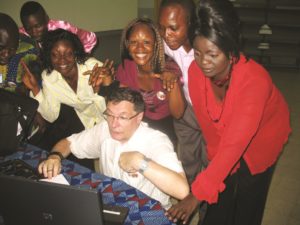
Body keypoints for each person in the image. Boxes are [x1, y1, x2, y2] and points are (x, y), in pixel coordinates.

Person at [166, 0, 291, 225]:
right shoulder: (196, 73)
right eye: (197, 52)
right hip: (227, 140)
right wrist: (212, 181)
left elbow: (235, 144)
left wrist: (197, 194)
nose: (204, 63)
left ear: (230, 47)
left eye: (212, 54)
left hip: (263, 138)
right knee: (220, 198)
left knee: (248, 199)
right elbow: (212, 135)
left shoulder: (254, 80)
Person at [38, 87, 189, 209]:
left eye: (123, 117)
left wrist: (139, 162)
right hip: (112, 203)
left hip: (149, 209)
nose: (114, 124)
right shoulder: (104, 129)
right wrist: (54, 157)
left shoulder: (156, 140)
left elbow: (182, 190)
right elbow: (69, 142)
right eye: (109, 115)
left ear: (139, 117)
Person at [22, 29, 111, 169]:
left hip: (110, 119)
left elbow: (114, 102)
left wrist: (103, 87)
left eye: (68, 53)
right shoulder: (50, 78)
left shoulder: (93, 67)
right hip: (85, 123)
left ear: (75, 52)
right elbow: (51, 115)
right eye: (55, 55)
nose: (62, 60)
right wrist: (35, 89)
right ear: (49, 56)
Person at [114, 18, 185, 145]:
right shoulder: (126, 68)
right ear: (127, 45)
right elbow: (122, 104)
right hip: (138, 125)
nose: (139, 48)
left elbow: (178, 113)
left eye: (146, 42)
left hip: (166, 127)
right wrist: (106, 85)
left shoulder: (169, 68)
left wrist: (172, 85)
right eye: (134, 42)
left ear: (156, 44)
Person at [158, 0, 206, 185]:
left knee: (211, 162)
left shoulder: (207, 49)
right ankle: (187, 198)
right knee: (187, 161)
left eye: (173, 28)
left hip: (212, 114)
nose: (166, 35)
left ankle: (206, 210)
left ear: (192, 23)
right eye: (162, 28)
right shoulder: (165, 42)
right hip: (185, 111)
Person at [19, 1, 97, 54]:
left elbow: (91, 38)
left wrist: (80, 58)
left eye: (38, 26)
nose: (34, 32)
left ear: (46, 19)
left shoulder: (61, 28)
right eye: (28, 28)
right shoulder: (21, 34)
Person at [0, 12, 38, 94]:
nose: (6, 54)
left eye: (12, 49)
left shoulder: (28, 49)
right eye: (1, 48)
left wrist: (26, 88)